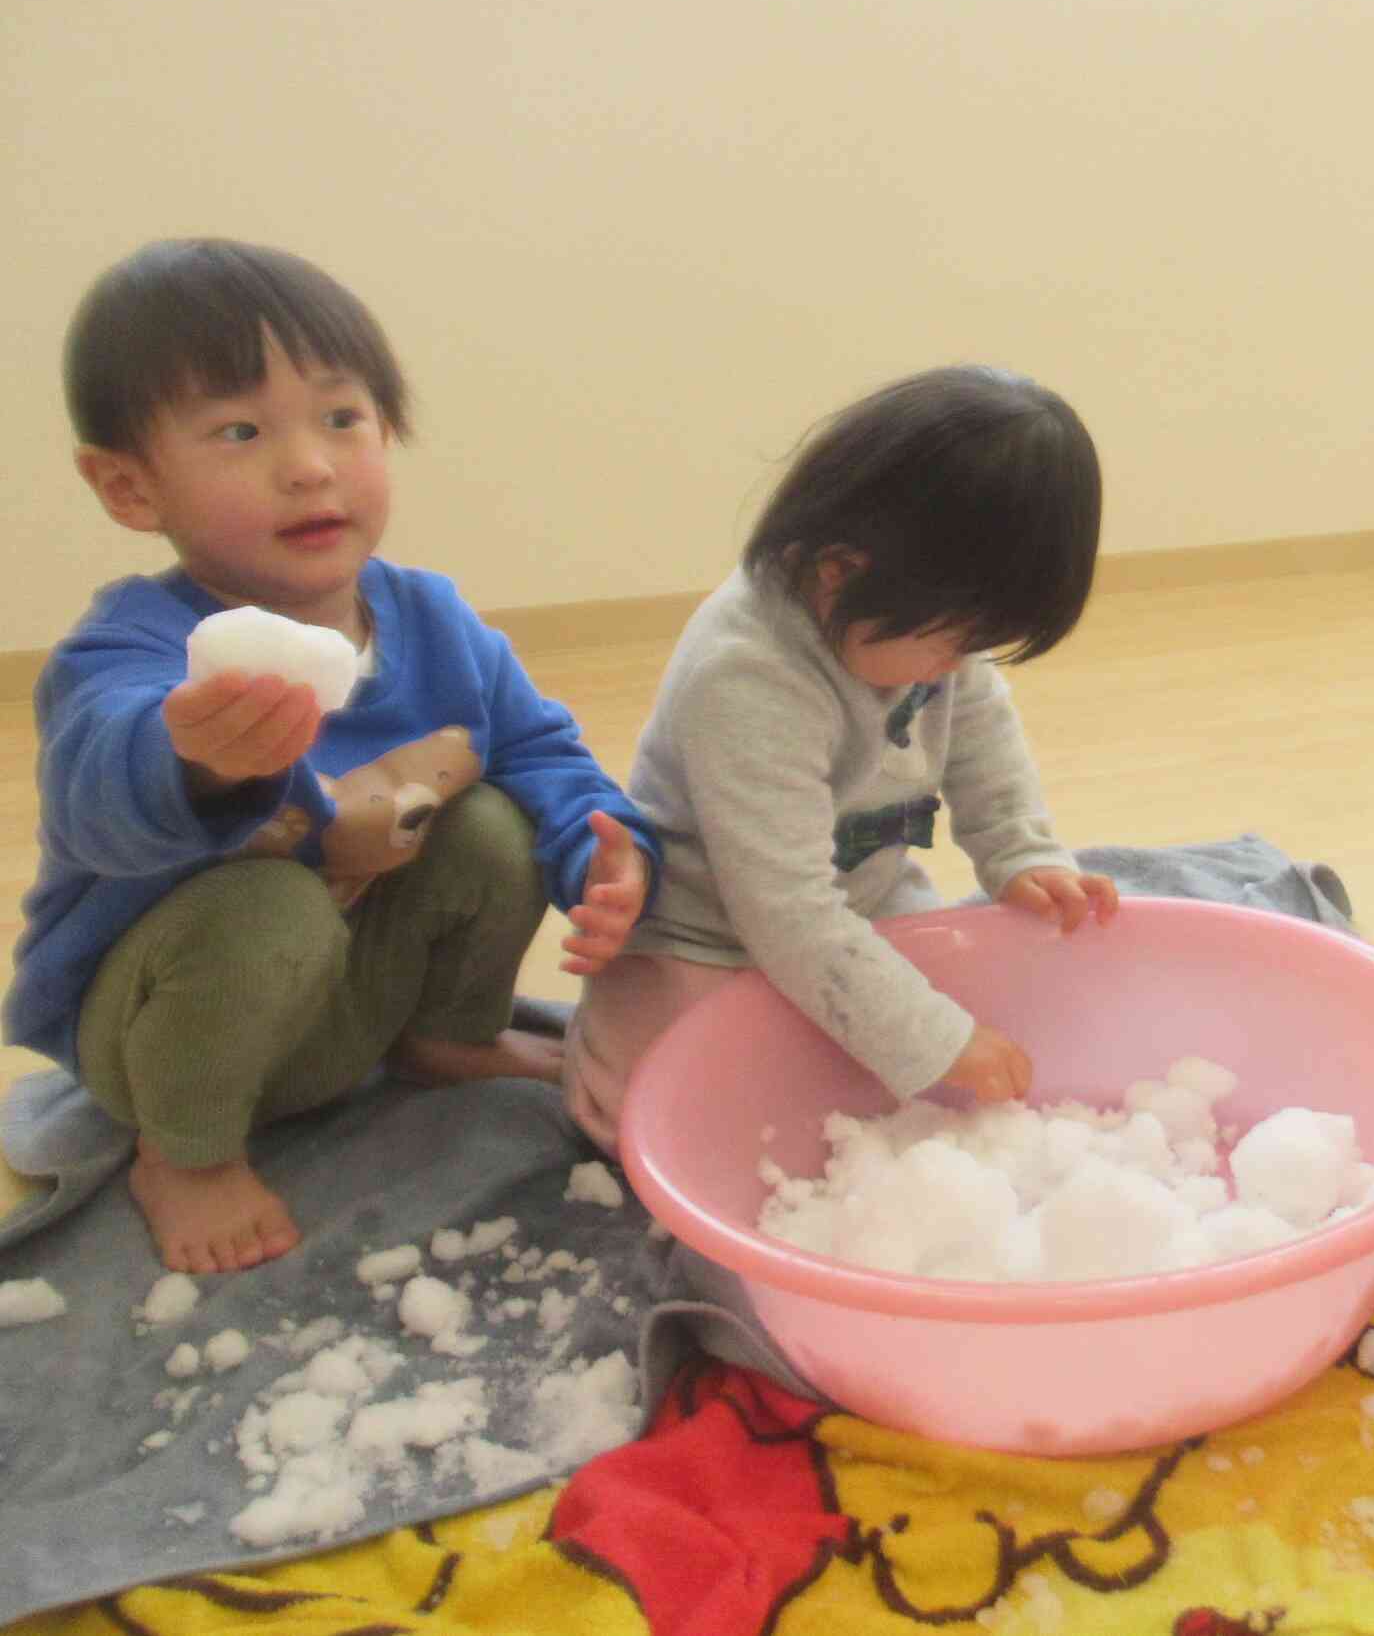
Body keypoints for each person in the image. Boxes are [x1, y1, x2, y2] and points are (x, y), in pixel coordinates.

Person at [5, 239, 657, 1276]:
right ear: (131, 487)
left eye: (342, 418)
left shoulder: (433, 620)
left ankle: (445, 1039)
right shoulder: (133, 651)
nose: (308, 464)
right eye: (239, 429)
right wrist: (192, 757)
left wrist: (604, 856)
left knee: (491, 820)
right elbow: (94, 797)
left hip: (354, 999)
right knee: (271, 904)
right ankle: (185, 1156)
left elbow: (542, 753)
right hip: (174, 1039)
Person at [561, 364, 1117, 1154]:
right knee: (682, 1115)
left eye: (977, 646)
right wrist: (934, 1040)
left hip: (860, 901)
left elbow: (984, 735)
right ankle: (597, 1049)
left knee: (968, 1020)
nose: (958, 669)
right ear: (841, 571)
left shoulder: (923, 635)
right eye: (951, 642)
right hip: (705, 937)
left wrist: (1019, 849)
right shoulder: (747, 676)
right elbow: (787, 914)